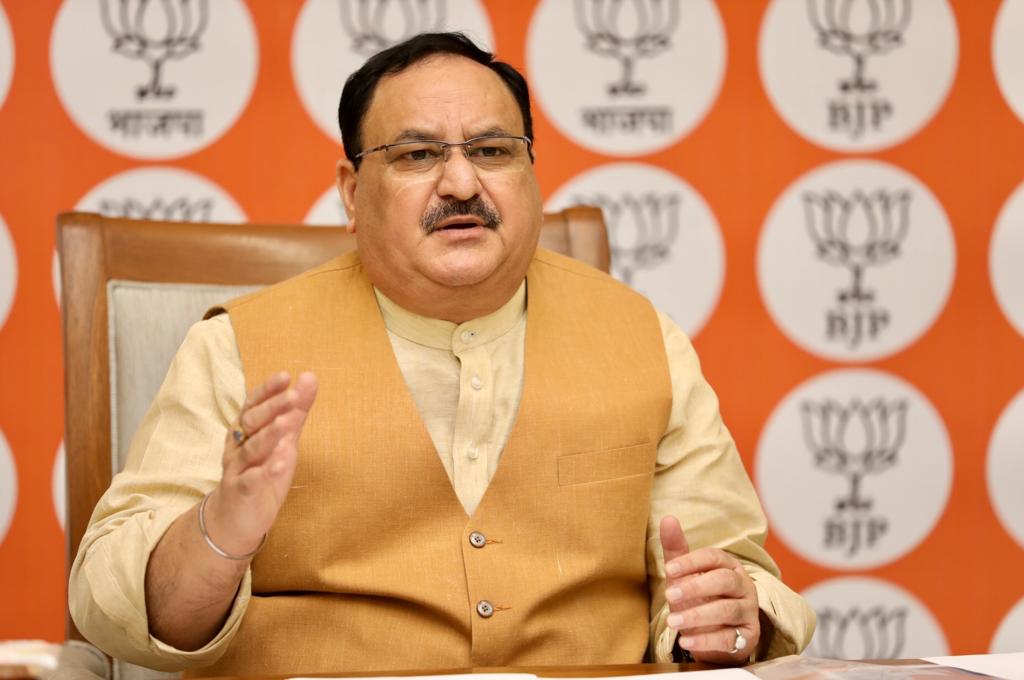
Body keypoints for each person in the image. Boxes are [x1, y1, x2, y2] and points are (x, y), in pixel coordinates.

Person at [69, 32, 815, 676]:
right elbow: (110, 599)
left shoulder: (643, 338)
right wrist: (218, 534)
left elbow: (739, 576)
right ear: (352, 189)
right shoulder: (235, 348)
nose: (461, 183)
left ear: (531, 175)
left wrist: (724, 622)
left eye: (492, 151)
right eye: (418, 154)